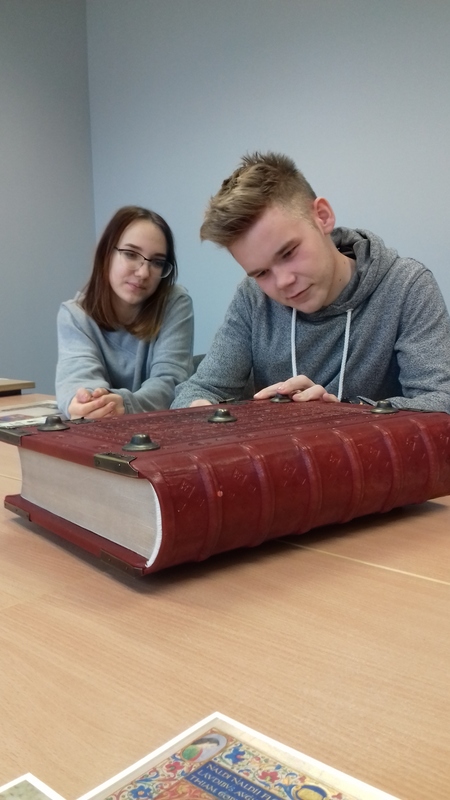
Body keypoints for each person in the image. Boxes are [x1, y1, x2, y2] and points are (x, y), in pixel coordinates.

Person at [172, 152, 450, 412]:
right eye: (261, 273)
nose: (283, 282)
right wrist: (198, 411)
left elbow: (441, 402)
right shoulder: (253, 297)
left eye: (288, 253)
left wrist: (338, 413)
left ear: (323, 217)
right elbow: (198, 390)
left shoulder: (407, 286)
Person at [56, 206, 194, 419]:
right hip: (98, 429)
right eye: (130, 254)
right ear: (106, 254)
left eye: (157, 262)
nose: (143, 272)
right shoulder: (75, 315)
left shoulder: (174, 303)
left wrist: (126, 405)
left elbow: (171, 383)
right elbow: (77, 380)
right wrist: (86, 402)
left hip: (160, 430)